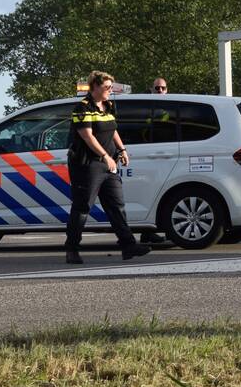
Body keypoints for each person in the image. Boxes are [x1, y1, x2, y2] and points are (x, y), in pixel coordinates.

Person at [64, 71, 151, 264]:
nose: (110, 91)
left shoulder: (108, 106)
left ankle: (128, 246)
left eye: (111, 87)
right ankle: (72, 248)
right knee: (83, 206)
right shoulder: (82, 108)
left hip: (108, 164)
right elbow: (87, 136)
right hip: (88, 165)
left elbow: (112, 129)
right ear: (94, 87)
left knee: (116, 205)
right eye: (107, 87)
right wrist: (104, 156)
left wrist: (122, 150)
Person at [139, 76, 170, 245]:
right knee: (147, 194)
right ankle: (146, 233)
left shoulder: (169, 109)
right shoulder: (146, 109)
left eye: (162, 88)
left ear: (167, 90)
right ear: (151, 89)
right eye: (157, 88)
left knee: (156, 194)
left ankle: (149, 232)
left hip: (164, 155)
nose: (159, 91)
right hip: (147, 155)